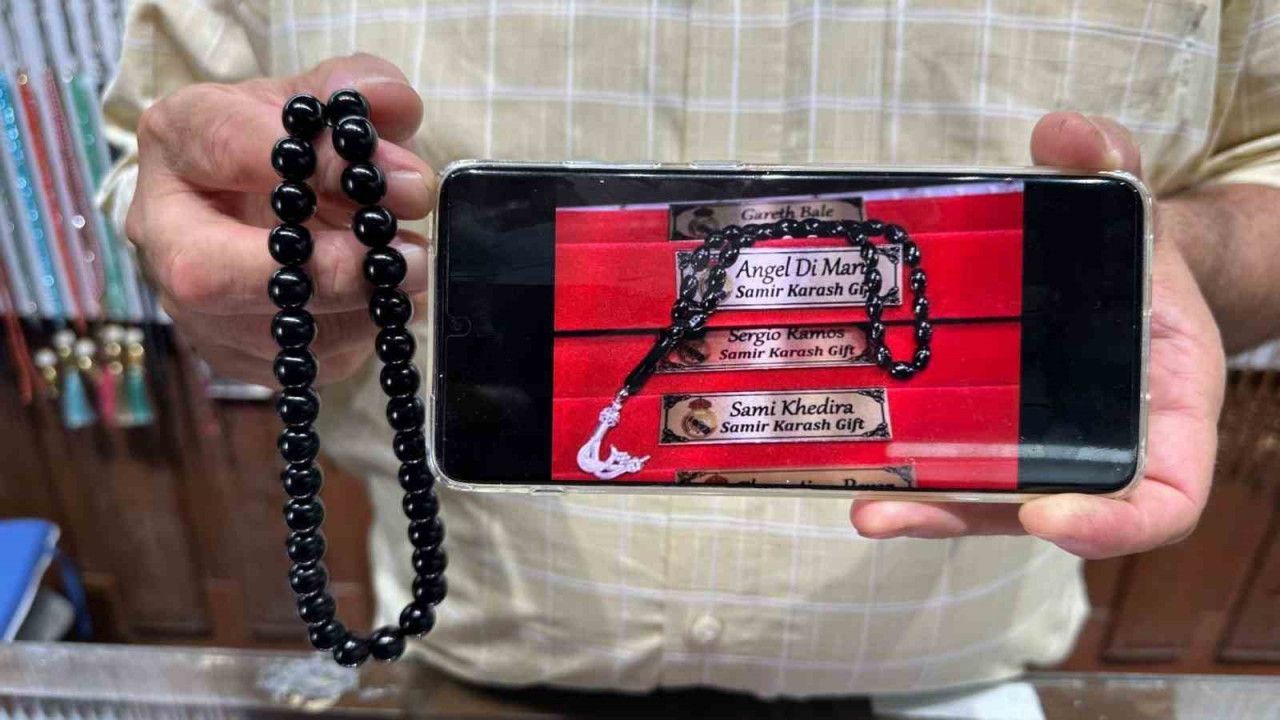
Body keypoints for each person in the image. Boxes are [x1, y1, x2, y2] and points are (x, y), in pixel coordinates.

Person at [105, 0, 1278, 698]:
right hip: (474, 657)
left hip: (958, 674)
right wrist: (220, 244)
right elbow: (150, 161)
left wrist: (1180, 255)